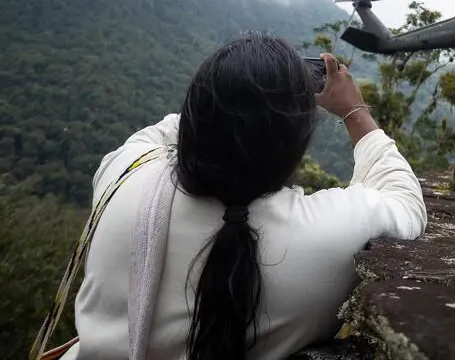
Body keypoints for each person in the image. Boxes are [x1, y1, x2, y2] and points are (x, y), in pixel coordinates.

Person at [60, 32, 428, 360]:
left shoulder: (125, 175)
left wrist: (228, 94)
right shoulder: (326, 237)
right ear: (297, 143)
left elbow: (162, 133)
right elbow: (406, 199)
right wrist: (353, 111)